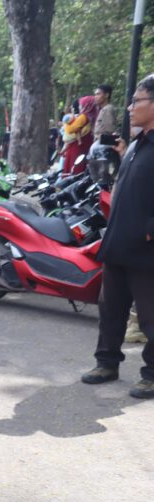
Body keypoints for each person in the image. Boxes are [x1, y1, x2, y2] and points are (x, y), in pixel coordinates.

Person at [80, 73, 154, 399]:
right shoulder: (138, 144)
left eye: (137, 101)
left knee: (151, 316)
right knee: (111, 311)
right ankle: (107, 362)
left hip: (146, 250)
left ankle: (152, 374)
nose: (130, 107)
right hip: (119, 243)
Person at [63, 96, 99, 175]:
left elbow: (70, 129)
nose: (79, 107)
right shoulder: (94, 115)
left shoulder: (84, 116)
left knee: (75, 171)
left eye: (81, 104)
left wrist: (66, 125)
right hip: (86, 146)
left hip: (77, 148)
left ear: (86, 105)